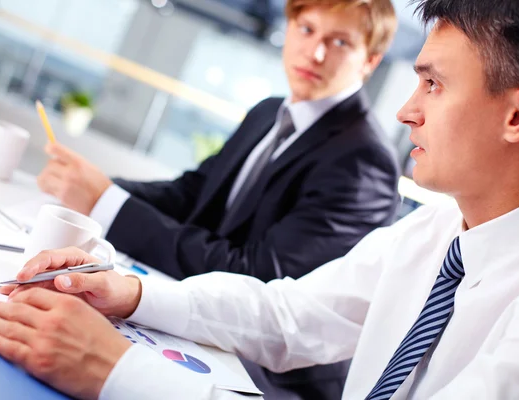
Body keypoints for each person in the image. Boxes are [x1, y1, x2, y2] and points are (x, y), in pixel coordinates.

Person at [0, 0, 519, 398]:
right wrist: (129, 293)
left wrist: (118, 374)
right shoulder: (434, 231)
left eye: (434, 85)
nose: (405, 110)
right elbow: (288, 314)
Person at [35, 1, 399, 397]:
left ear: (370, 61)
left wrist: (107, 203)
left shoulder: (364, 161)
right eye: (307, 29)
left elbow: (258, 275)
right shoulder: (269, 111)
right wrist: (98, 189)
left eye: (340, 42)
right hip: (204, 326)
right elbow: (191, 194)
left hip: (267, 374)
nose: (315, 53)